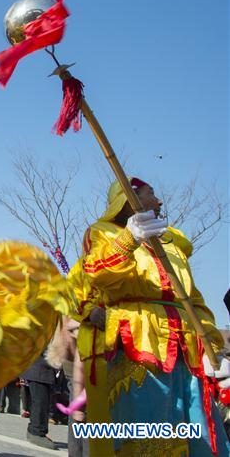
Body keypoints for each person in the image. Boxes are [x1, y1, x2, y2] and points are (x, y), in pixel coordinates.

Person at [71, 177, 229, 456]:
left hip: (186, 349)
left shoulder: (172, 243)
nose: (159, 201)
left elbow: (193, 299)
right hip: (138, 340)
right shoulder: (102, 233)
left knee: (199, 432)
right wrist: (128, 240)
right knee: (145, 428)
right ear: (128, 199)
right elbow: (94, 273)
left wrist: (211, 347)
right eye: (151, 193)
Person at [23, 351, 59, 449]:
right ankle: (37, 432)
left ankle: (34, 431)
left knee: (40, 402)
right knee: (40, 402)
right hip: (39, 369)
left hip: (40, 369)